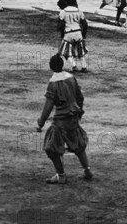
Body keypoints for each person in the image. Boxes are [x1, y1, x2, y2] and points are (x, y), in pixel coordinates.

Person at [36, 54, 92, 184]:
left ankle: (61, 175)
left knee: (52, 148)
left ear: (51, 67)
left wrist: (41, 122)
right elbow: (80, 98)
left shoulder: (53, 83)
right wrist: (79, 112)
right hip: (73, 118)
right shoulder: (71, 78)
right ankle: (87, 170)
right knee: (79, 146)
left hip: (61, 121)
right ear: (62, 65)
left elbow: (48, 106)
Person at [58, 0, 88, 73]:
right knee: (81, 51)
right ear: (75, 3)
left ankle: (74, 65)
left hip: (68, 33)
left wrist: (62, 34)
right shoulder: (79, 11)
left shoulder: (63, 11)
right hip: (78, 32)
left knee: (65, 52)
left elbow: (60, 24)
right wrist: (83, 34)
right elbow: (85, 24)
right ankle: (84, 66)